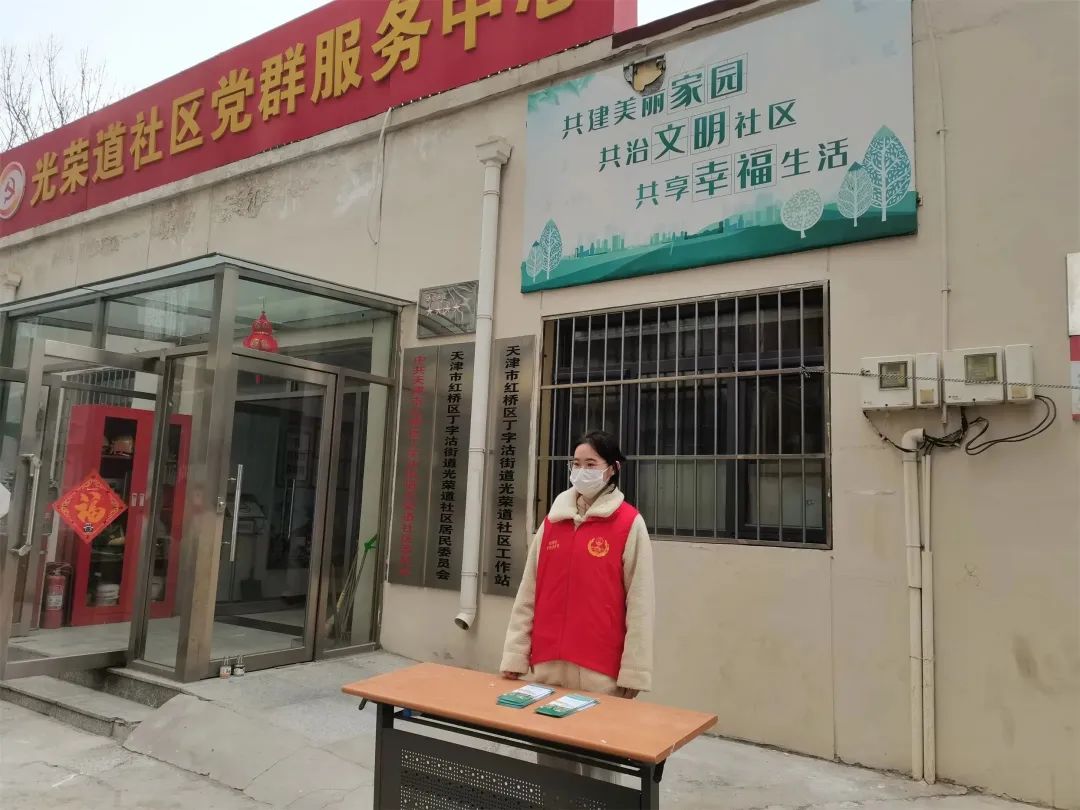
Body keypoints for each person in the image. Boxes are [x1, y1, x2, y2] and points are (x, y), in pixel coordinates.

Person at [500, 430, 655, 781]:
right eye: (576, 463)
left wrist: (634, 672)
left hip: (601, 672)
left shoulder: (629, 524)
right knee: (553, 770)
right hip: (548, 668)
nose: (581, 471)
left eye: (591, 464)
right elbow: (528, 595)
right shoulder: (552, 523)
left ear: (612, 469)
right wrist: (515, 656)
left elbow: (641, 604)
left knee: (600, 771)